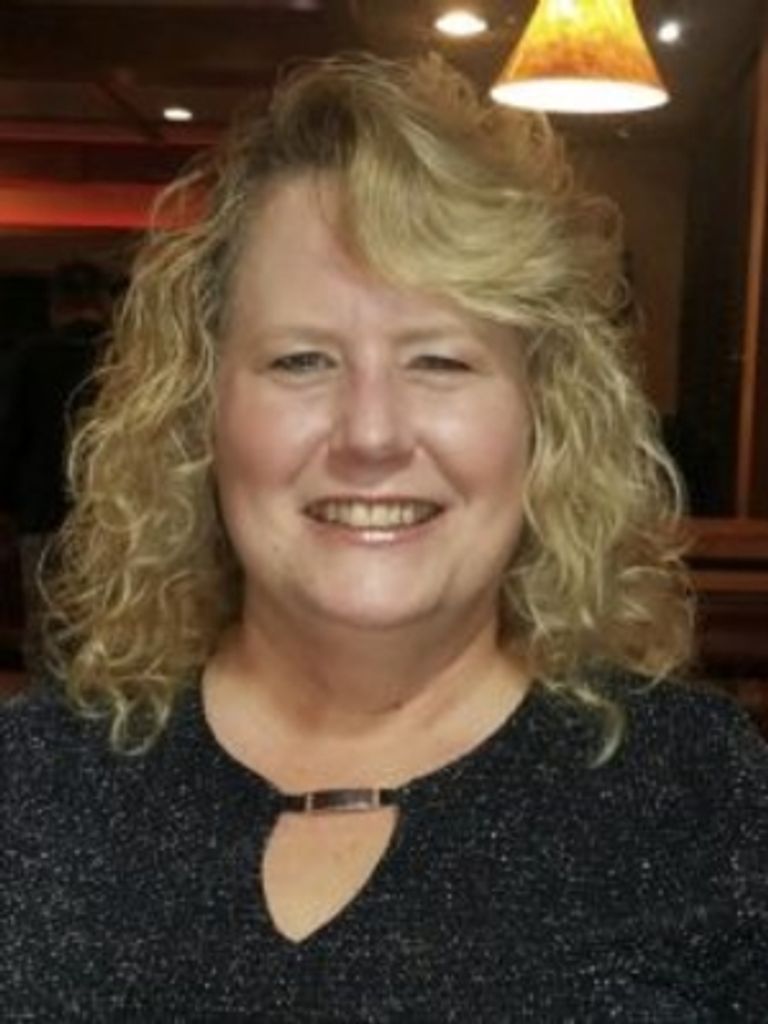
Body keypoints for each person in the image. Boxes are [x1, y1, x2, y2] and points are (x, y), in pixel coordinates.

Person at [2, 54, 767, 1021]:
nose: (371, 434)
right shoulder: (33, 784)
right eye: (302, 360)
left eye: (440, 361)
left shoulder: (702, 799)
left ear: (543, 418)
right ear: (200, 411)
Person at [0, 261, 111, 679]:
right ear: (104, 302)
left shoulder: (30, 358)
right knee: (113, 629)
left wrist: (8, 508)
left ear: (55, 306)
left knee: (49, 634)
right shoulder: (124, 356)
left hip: (44, 513)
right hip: (117, 516)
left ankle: (49, 716)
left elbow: (8, 437)